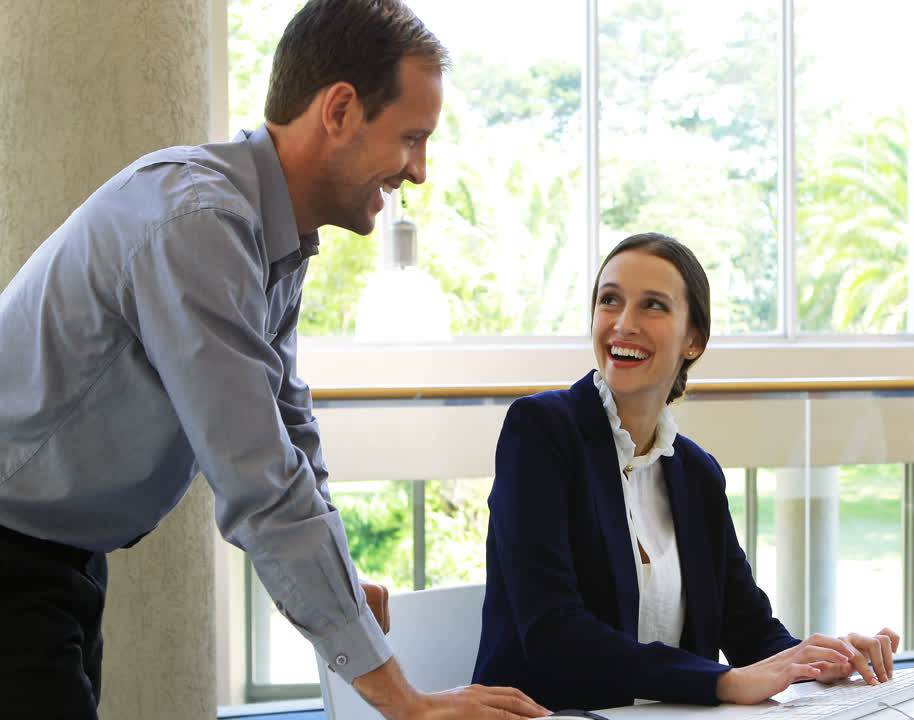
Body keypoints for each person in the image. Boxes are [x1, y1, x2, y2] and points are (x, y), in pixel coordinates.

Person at [0, 1, 548, 718]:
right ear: (340, 109)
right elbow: (257, 480)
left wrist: (339, 586)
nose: (418, 171)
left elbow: (289, 431)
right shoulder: (201, 222)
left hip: (59, 556)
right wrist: (406, 703)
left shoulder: (269, 235)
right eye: (411, 138)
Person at [472, 233, 901, 712]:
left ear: (693, 341)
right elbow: (553, 632)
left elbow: (749, 631)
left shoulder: (697, 473)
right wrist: (722, 682)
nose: (623, 323)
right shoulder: (541, 431)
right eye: (610, 300)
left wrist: (825, 660)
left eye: (652, 305)